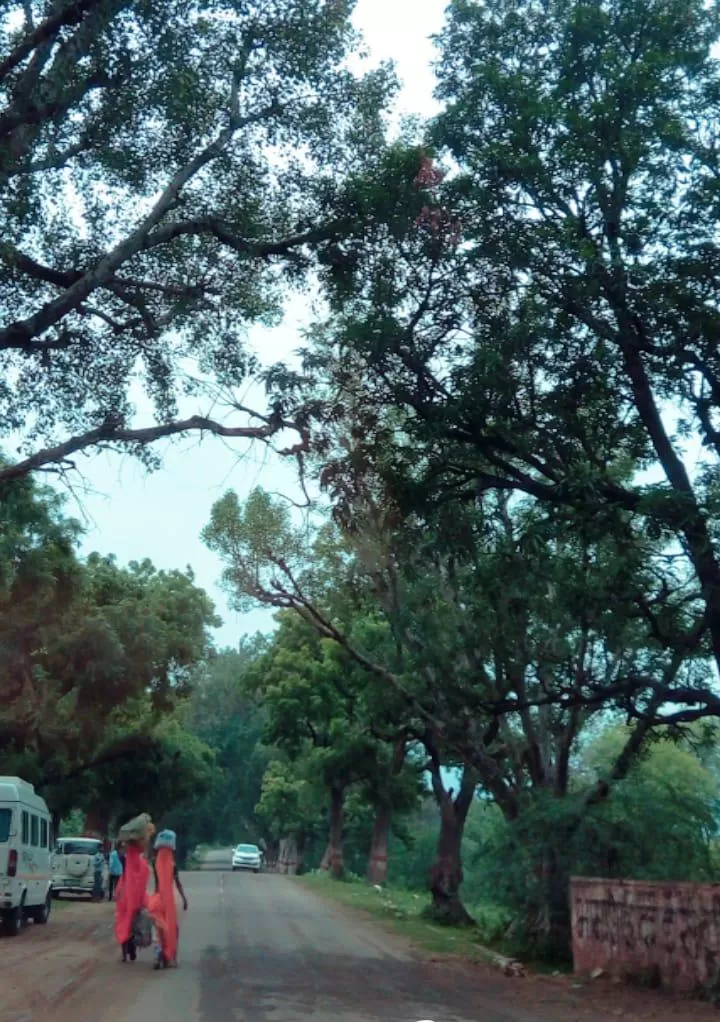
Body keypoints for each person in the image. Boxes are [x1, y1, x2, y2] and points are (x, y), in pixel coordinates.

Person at [147, 830, 188, 969]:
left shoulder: (155, 862)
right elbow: (177, 882)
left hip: (158, 898)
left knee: (158, 928)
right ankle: (171, 958)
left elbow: (157, 883)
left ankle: (158, 953)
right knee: (173, 928)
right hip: (171, 899)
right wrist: (184, 898)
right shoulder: (172, 864)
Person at [114, 826, 151, 963]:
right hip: (136, 899)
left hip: (124, 897)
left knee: (124, 923)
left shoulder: (125, 860)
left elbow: (119, 850)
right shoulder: (142, 864)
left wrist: (122, 841)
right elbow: (144, 881)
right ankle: (132, 949)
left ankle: (125, 951)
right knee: (133, 925)